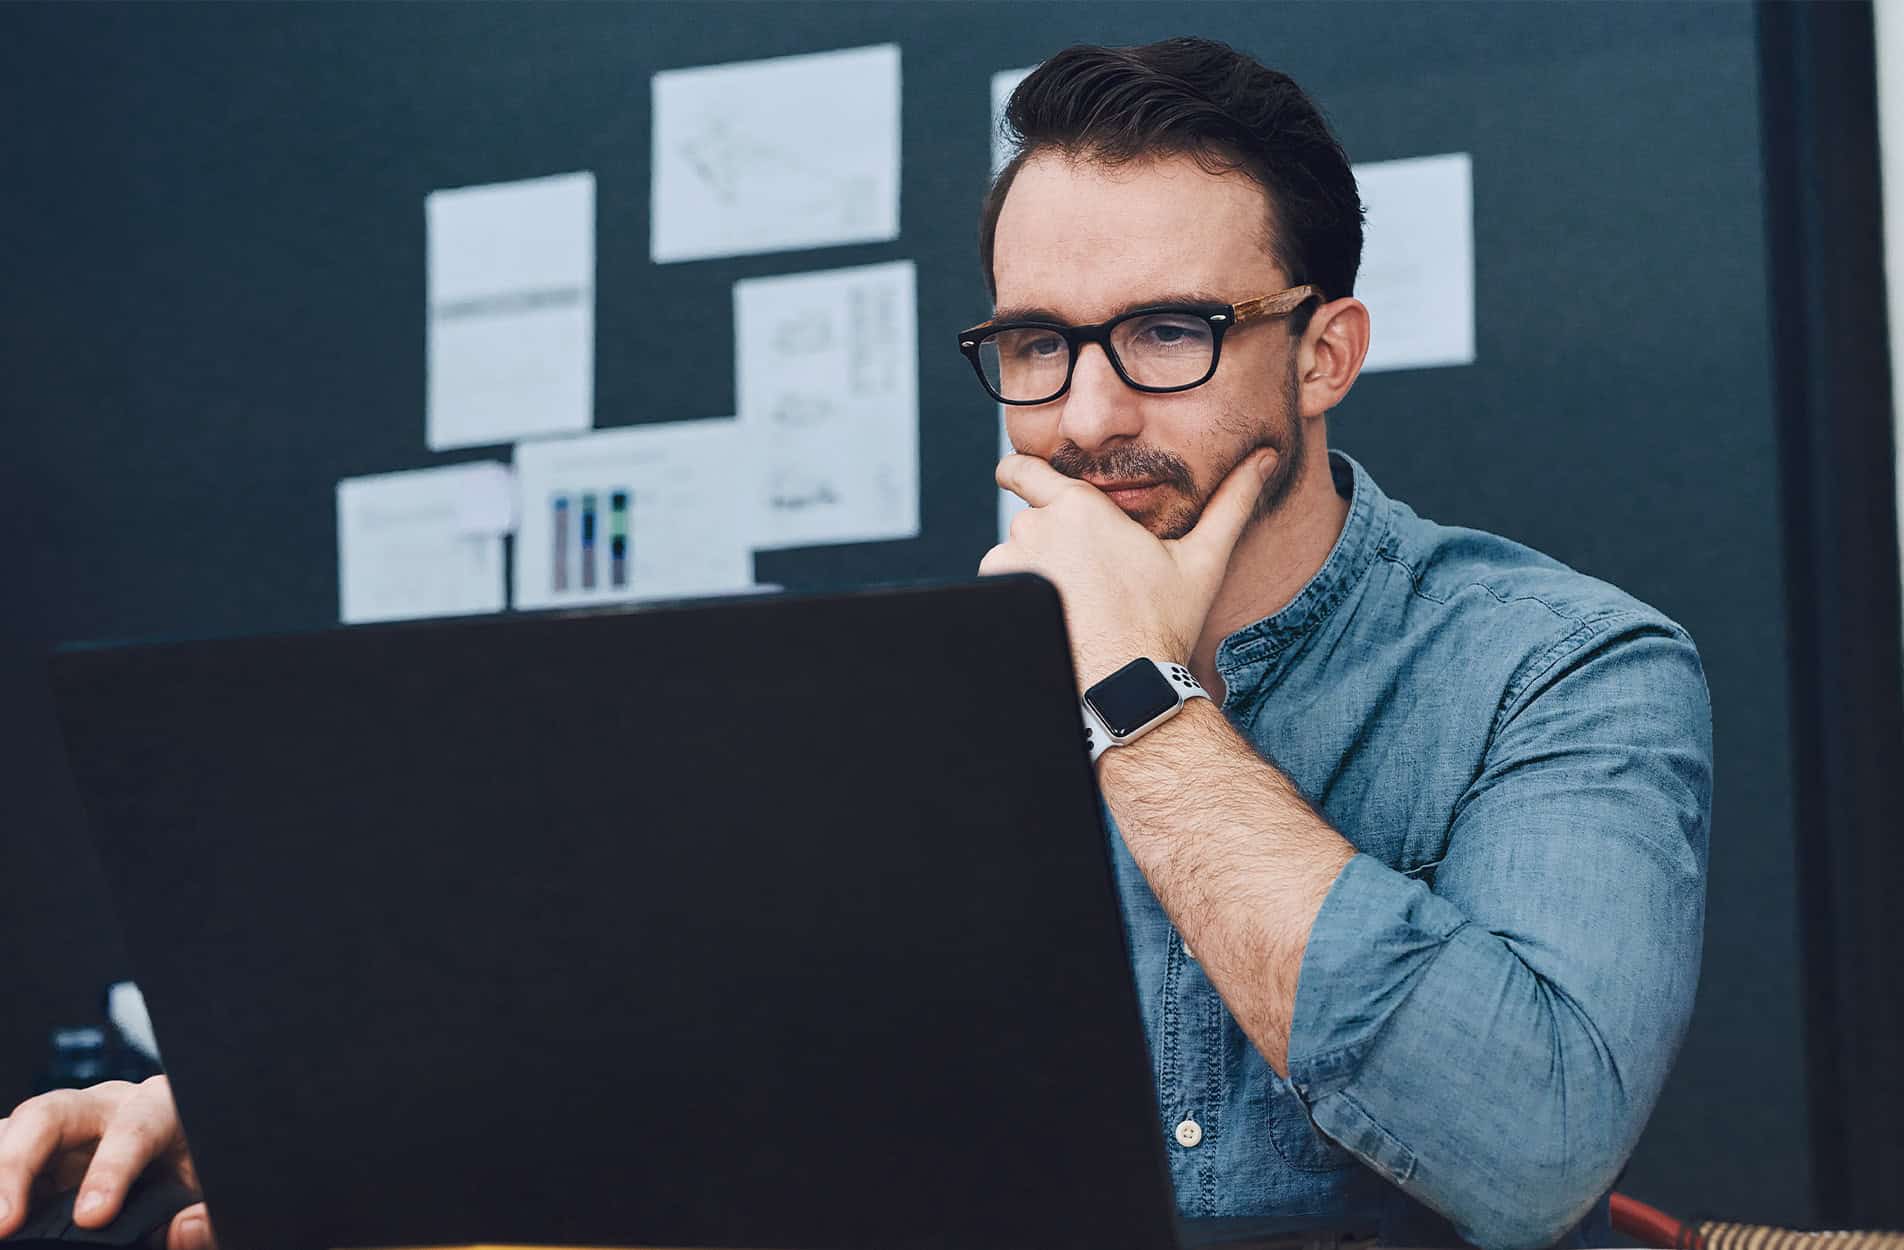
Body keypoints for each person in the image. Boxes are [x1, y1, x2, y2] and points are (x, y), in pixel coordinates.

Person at [0, 36, 1711, 1250]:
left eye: (1171, 333)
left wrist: (1137, 696)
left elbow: (1525, 1152)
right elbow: (639, 1057)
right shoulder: (882, 703)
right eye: (1037, 342)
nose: (1089, 413)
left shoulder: (1566, 668)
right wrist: (268, 1110)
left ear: (1324, 352)